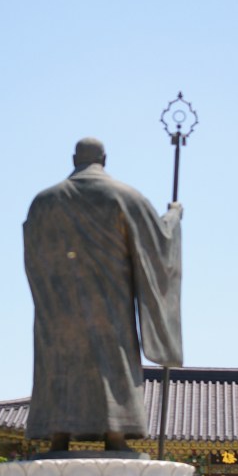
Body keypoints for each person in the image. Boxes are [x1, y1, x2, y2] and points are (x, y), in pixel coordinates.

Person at [23, 137, 183, 453]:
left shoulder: (44, 201)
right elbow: (158, 240)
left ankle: (59, 436)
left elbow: (34, 257)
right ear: (105, 159)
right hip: (110, 306)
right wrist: (174, 217)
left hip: (58, 310)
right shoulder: (124, 197)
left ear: (73, 159)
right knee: (114, 362)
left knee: (60, 363)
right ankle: (116, 435)